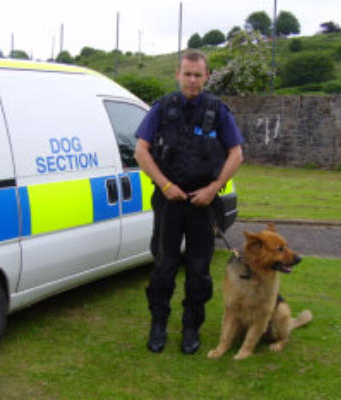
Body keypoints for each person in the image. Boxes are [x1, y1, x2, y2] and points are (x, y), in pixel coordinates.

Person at [134, 49, 244, 355]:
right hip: (168, 201)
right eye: (187, 74)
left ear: (206, 77)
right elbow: (141, 150)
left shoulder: (217, 111)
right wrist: (165, 184)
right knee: (164, 265)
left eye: (198, 75)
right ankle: (158, 325)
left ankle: (191, 328)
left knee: (198, 269)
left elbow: (236, 154)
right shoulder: (162, 108)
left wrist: (214, 188)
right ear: (178, 75)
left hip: (203, 203)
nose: (192, 80)